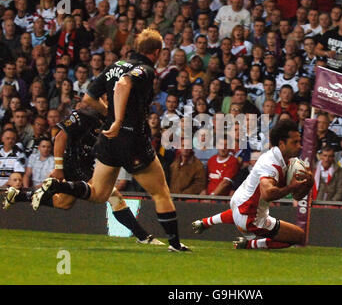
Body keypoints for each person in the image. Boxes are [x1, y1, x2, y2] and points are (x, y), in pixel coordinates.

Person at [32, 29, 189, 252]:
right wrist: (118, 120)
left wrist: (109, 116)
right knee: (160, 192)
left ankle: (61, 185)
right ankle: (175, 245)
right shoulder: (145, 69)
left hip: (107, 140)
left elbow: (88, 98)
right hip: (132, 140)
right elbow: (124, 84)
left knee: (99, 194)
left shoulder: (114, 65)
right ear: (156, 52)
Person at [3, 109, 164, 245]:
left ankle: (20, 195)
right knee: (113, 195)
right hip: (73, 163)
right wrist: (58, 168)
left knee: (63, 203)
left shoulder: (117, 124)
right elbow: (60, 137)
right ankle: (143, 236)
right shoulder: (83, 116)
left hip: (86, 164)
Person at [192, 119, 314, 250]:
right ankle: (249, 244)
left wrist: (308, 182)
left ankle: (205, 222)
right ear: (281, 143)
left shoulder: (289, 160)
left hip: (239, 202)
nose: (299, 146)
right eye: (294, 142)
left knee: (242, 210)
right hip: (250, 218)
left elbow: (297, 196)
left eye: (299, 141)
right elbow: (267, 194)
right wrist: (291, 187)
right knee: (299, 237)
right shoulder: (270, 164)